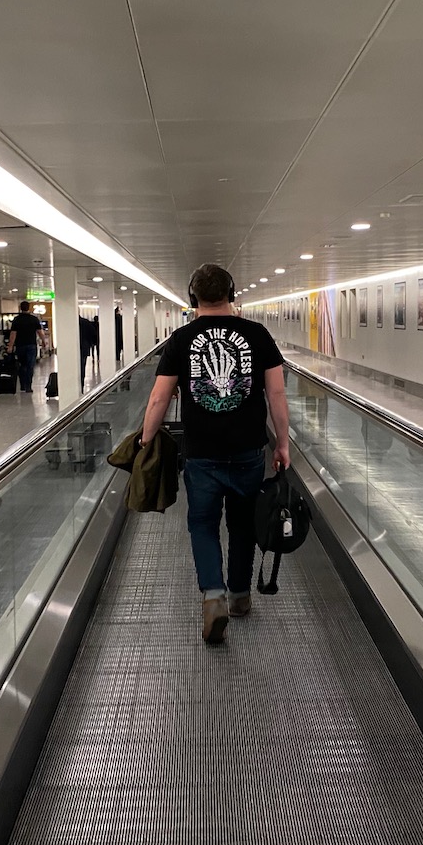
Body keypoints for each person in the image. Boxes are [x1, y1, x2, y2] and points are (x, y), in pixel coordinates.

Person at [138, 264, 290, 646]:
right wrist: (283, 443)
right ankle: (239, 597)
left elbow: (159, 396)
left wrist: (146, 438)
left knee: (203, 525)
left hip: (202, 453)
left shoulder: (182, 338)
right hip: (248, 450)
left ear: (193, 298)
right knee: (242, 525)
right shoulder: (257, 334)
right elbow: (276, 394)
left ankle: (213, 597)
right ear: (232, 293)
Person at [7, 301, 43, 393]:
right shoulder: (34, 319)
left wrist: (10, 346)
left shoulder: (17, 320)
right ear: (29, 308)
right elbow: (39, 332)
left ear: (20, 308)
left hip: (20, 346)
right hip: (31, 345)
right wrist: (44, 341)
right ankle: (28, 386)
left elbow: (13, 334)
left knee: (22, 365)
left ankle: (22, 385)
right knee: (30, 366)